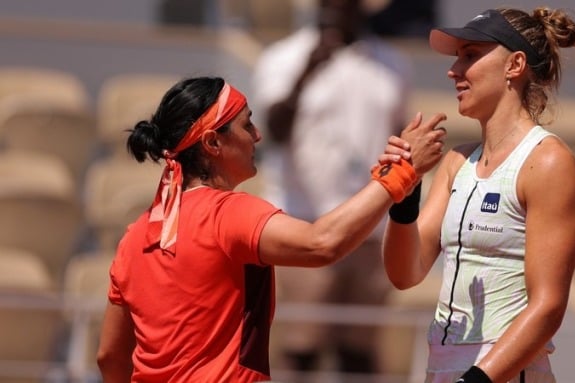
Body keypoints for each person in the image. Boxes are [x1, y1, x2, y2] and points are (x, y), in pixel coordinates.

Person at [95, 75, 447, 383]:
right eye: (247, 125)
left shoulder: (135, 235)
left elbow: (109, 357)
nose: (258, 135)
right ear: (213, 143)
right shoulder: (228, 213)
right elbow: (321, 244)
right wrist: (401, 173)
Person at [381, 7, 575, 383]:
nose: (453, 70)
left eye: (470, 55)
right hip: (444, 370)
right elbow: (404, 273)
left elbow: (548, 305)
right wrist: (404, 194)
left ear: (515, 65)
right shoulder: (456, 161)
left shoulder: (548, 163)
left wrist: (477, 380)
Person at [251, 0, 411, 376]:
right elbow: (271, 131)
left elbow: (400, 137)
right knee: (302, 345)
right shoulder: (283, 58)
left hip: (370, 227)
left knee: (360, 347)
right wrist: (309, 71)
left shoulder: (392, 65)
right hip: (301, 220)